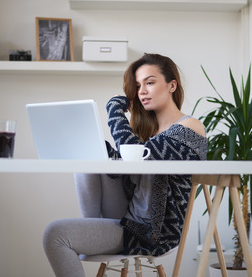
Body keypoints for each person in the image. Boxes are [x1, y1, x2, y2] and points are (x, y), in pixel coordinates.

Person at [43, 53, 207, 277]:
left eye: (150, 82)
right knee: (90, 151)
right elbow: (124, 168)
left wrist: (114, 110)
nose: (142, 91)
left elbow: (136, 160)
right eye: (138, 85)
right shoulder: (146, 134)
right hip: (128, 219)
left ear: (172, 85)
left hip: (152, 233)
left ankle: (93, 232)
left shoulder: (189, 127)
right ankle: (93, 228)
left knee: (55, 234)